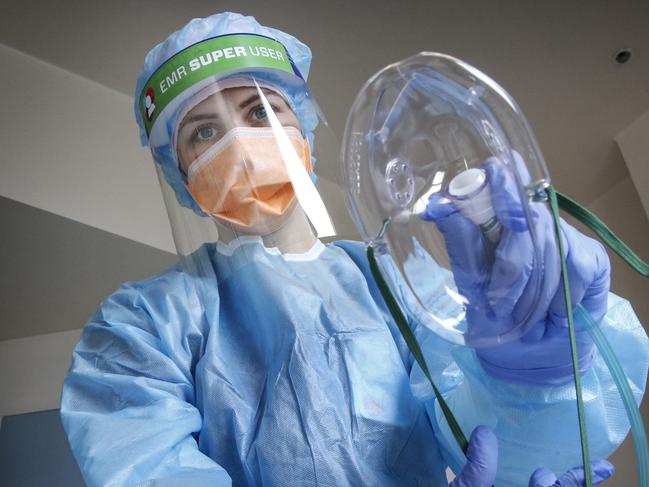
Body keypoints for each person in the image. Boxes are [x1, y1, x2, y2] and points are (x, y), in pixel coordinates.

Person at [60, 11, 648, 487]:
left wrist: (529, 371)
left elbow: (508, 445)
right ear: (181, 174)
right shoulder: (141, 327)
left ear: (305, 130)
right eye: (204, 132)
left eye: (261, 110)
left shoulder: (392, 284)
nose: (241, 143)